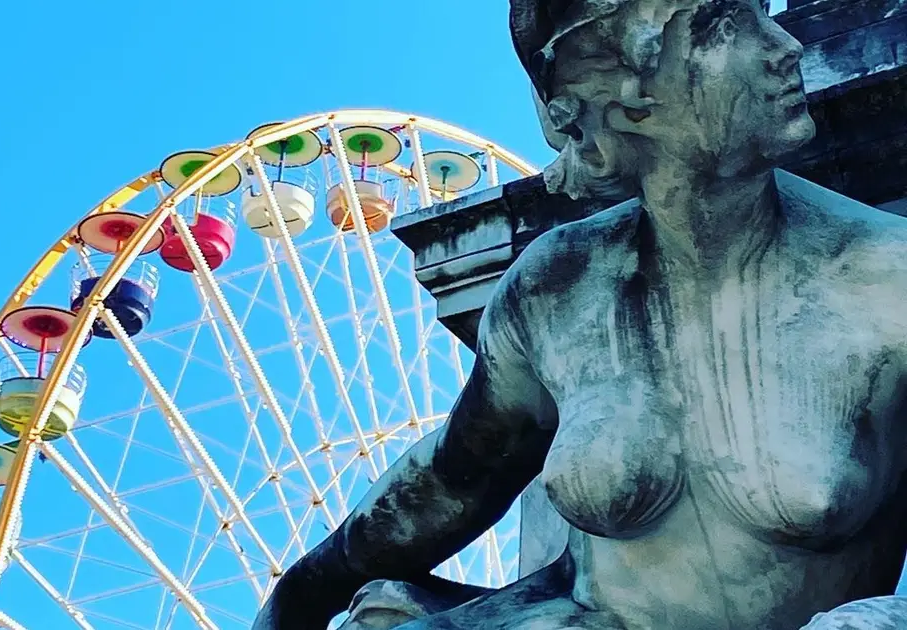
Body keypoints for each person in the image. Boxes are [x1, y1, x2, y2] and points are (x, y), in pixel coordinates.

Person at [252, 0, 907, 627]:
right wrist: (301, 591)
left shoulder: (889, 275)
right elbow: (456, 480)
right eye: (728, 25)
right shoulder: (555, 283)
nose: (787, 46)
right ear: (627, 99)